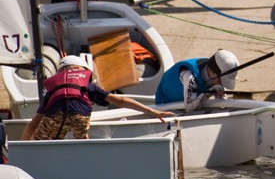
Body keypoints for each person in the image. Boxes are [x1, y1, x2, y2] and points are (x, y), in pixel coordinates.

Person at [21, 56, 174, 140]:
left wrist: (24, 146)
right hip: (80, 115)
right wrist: (152, 112)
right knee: (81, 134)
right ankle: (87, 150)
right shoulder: (88, 86)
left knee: (42, 140)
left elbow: (33, 125)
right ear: (83, 71)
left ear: (61, 72)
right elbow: (120, 100)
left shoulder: (53, 89)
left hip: (55, 114)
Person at [155, 49, 239, 112]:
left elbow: (222, 102)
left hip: (188, 102)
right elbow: (189, 107)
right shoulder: (189, 76)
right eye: (221, 81)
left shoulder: (212, 67)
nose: (222, 84)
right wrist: (208, 94)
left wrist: (221, 95)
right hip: (165, 107)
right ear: (213, 73)